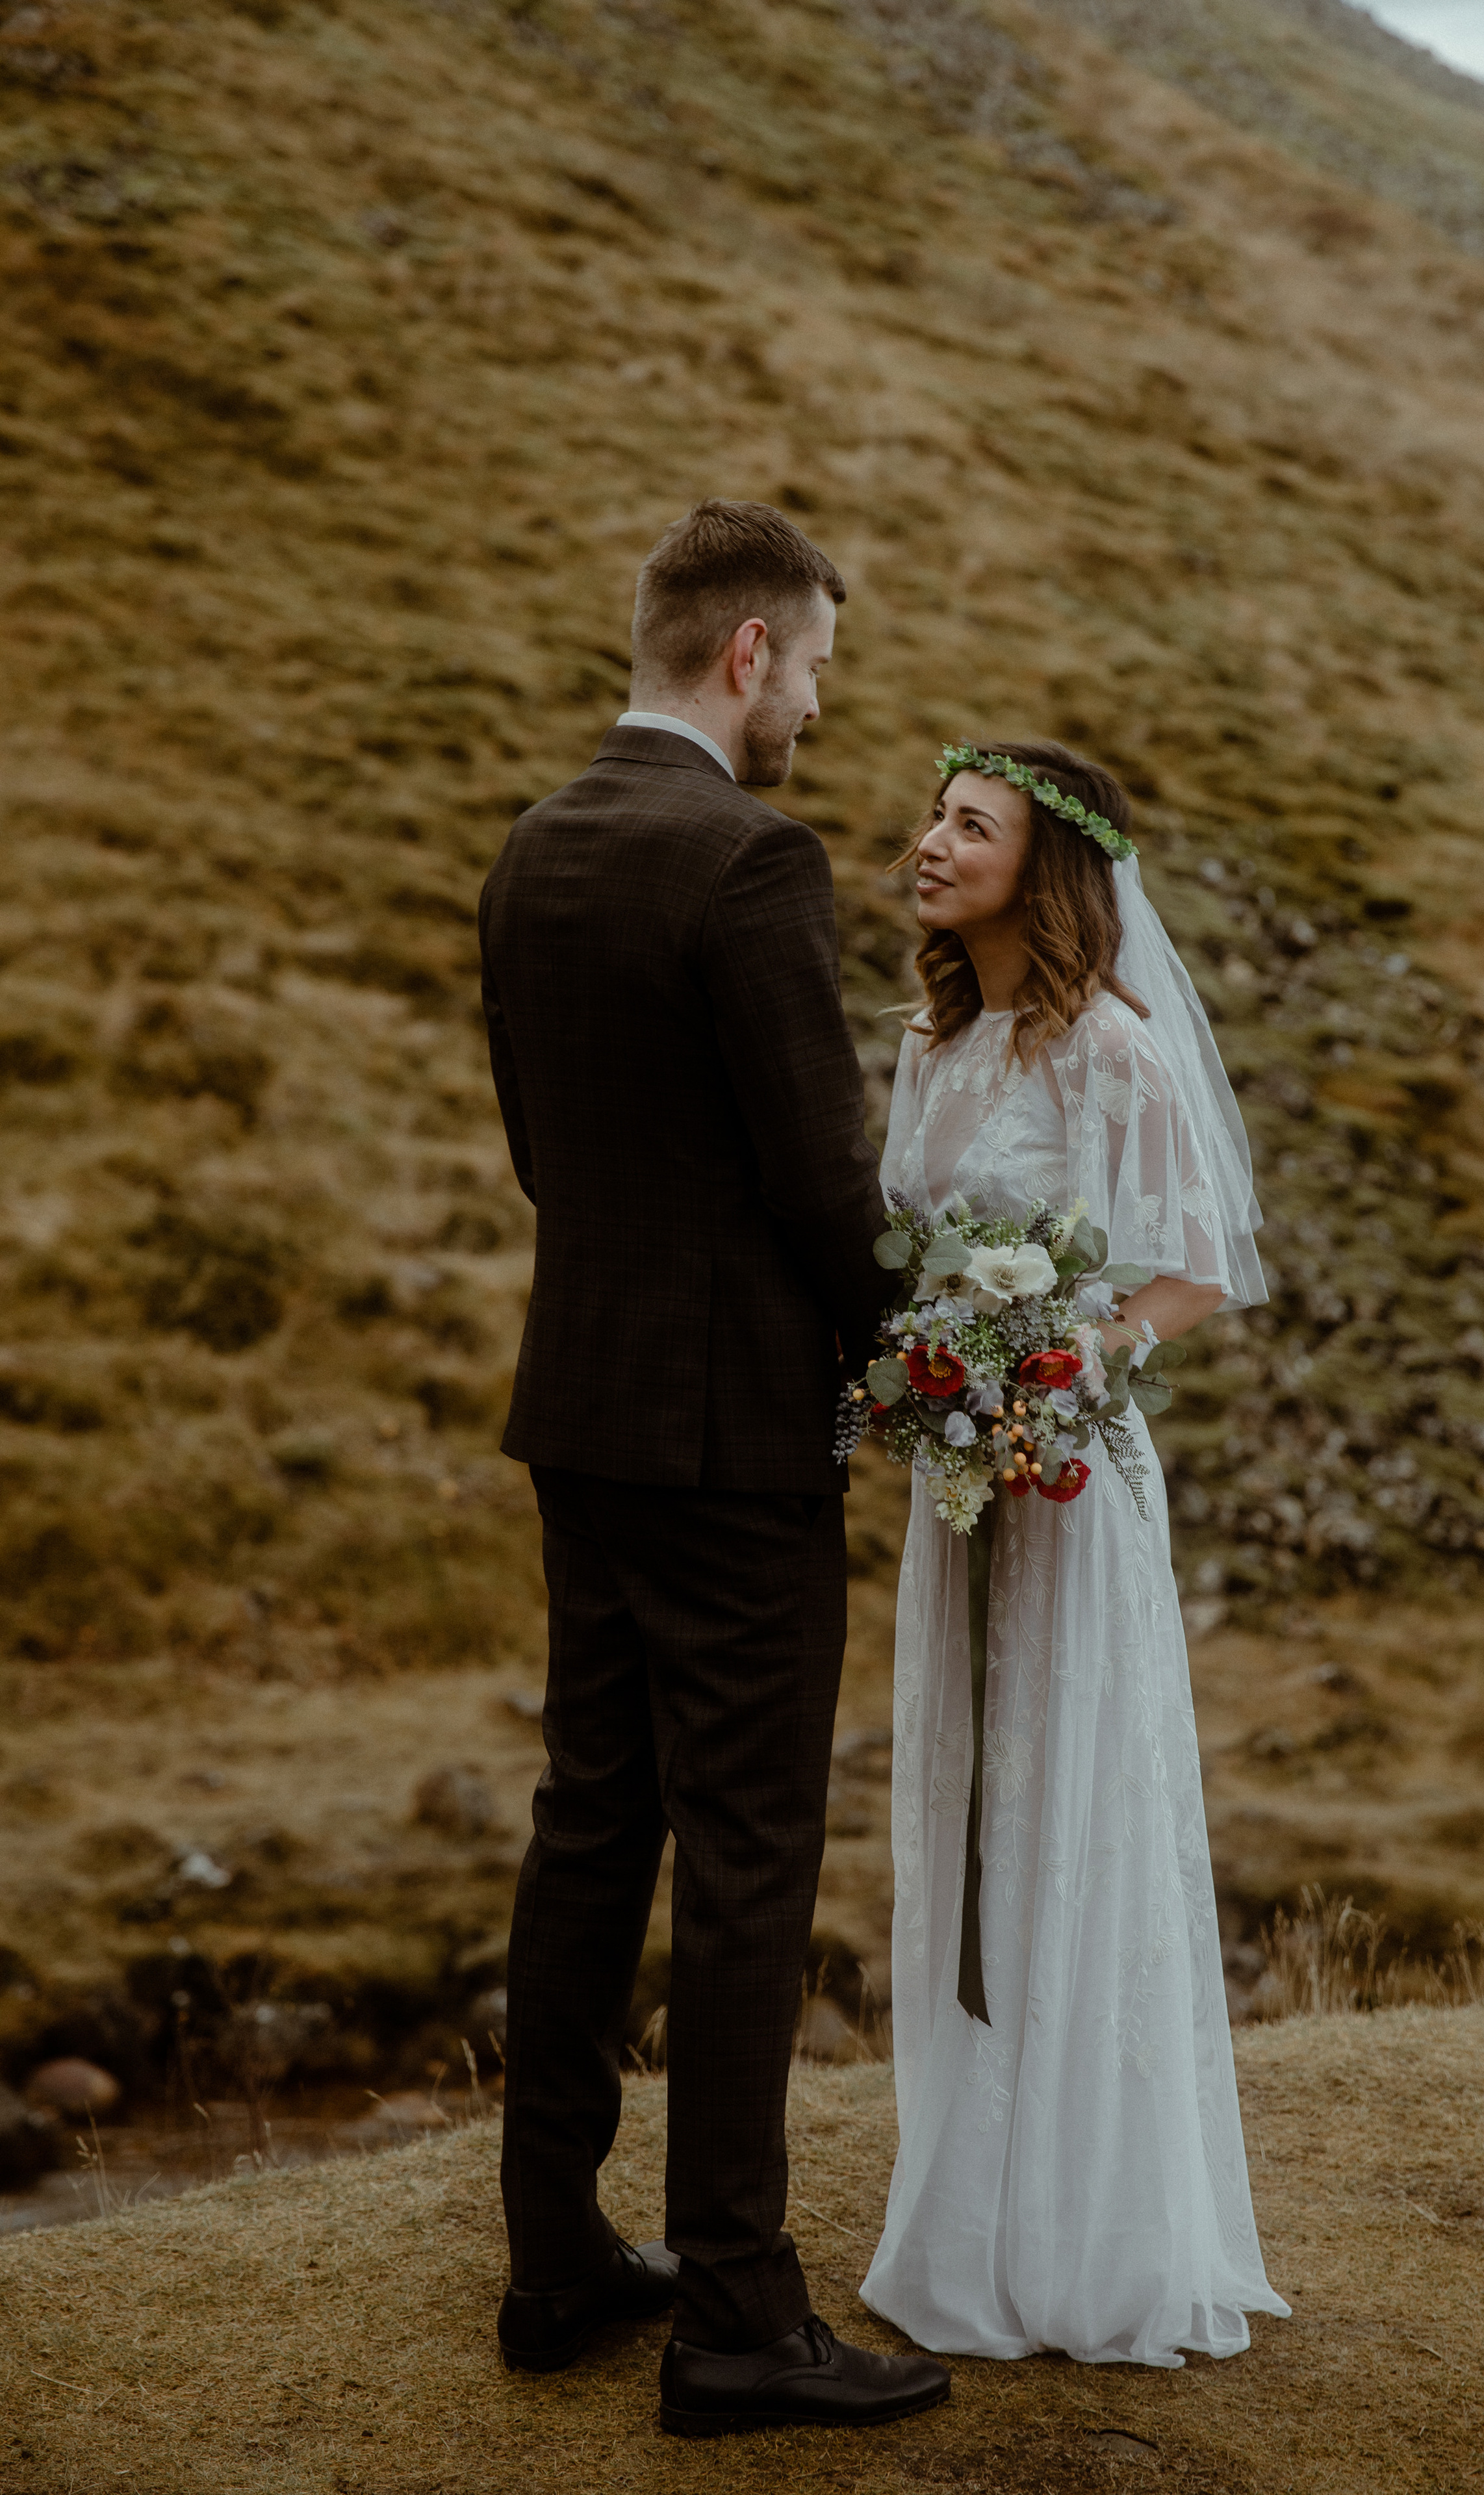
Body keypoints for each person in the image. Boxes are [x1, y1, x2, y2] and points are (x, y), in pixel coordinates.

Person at [478, 499, 950, 2437]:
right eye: (816, 665)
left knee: (595, 1815)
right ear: (744, 652)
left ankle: (557, 2256)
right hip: (734, 1441)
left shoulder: (537, 845)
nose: (820, 707)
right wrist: (914, 1360)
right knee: (747, 1860)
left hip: (581, 1408)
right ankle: (740, 2320)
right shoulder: (751, 860)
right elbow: (825, 1184)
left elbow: (543, 1152)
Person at [859, 740, 1289, 2366]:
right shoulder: (933, 1040)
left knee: (1064, 1813)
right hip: (958, 1490)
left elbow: (1189, 1268)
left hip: (1061, 1484)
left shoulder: (1109, 1048)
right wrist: (930, 1379)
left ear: (1042, 873)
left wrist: (1058, 1364)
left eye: (970, 828)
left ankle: (1089, 2232)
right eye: (932, 817)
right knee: (967, 1808)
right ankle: (962, 2218)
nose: (929, 842)